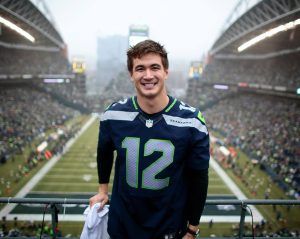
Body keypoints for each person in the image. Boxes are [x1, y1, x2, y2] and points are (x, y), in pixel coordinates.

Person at [89, 39, 210, 239]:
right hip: (122, 226)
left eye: (155, 67)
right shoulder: (113, 115)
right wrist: (103, 190)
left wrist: (192, 229)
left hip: (169, 227)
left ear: (166, 72)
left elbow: (199, 178)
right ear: (131, 75)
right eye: (140, 69)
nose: (148, 75)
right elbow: (104, 151)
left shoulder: (191, 121)